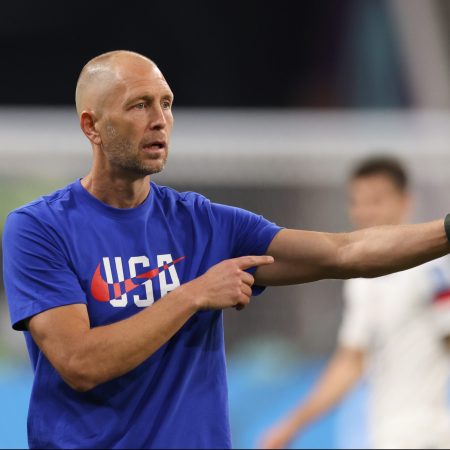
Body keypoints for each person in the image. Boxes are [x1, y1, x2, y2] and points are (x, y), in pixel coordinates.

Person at [2, 51, 450, 449]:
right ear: (91, 126)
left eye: (166, 103)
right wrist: (191, 295)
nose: (159, 119)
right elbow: (81, 362)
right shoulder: (39, 228)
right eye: (139, 105)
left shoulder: (206, 223)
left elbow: (345, 252)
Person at [260, 157, 450, 449]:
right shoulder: (361, 284)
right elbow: (351, 361)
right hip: (387, 432)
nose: (364, 212)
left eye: (375, 201)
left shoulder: (430, 271)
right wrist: (292, 424)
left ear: (405, 201)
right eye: (357, 202)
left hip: (423, 433)